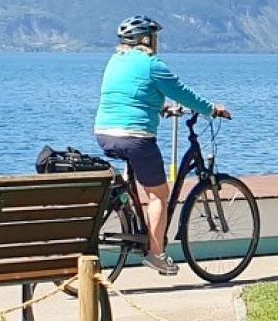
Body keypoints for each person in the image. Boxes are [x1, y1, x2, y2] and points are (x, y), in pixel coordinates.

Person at [95, 15, 230, 275]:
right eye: (155, 37)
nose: (157, 43)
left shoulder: (114, 62)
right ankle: (156, 254)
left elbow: (129, 98)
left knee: (135, 179)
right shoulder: (151, 65)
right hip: (135, 138)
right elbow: (183, 93)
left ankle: (128, 213)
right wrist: (213, 109)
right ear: (146, 40)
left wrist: (161, 109)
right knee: (158, 194)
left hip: (104, 134)